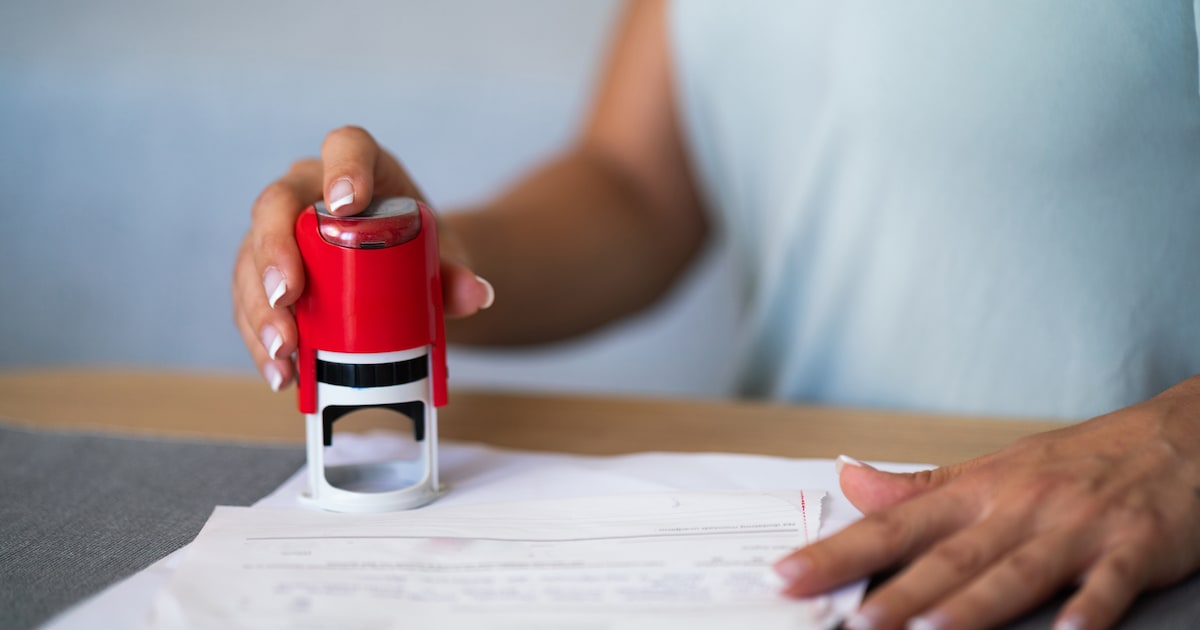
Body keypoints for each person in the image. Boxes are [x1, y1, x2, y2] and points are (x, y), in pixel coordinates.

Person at [231, 2, 1200, 629]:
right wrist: (421, 257)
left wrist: (1182, 443)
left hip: (1095, 561)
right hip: (787, 533)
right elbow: (635, 188)